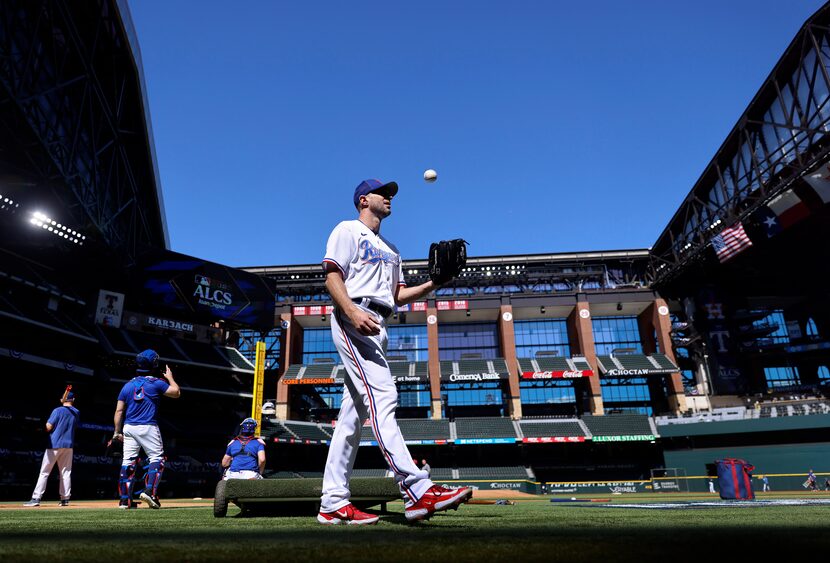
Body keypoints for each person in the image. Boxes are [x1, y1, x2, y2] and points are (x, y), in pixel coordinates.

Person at [317, 178, 472, 525]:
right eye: (382, 193)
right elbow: (331, 275)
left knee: (352, 418)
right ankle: (416, 489)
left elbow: (398, 296)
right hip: (354, 314)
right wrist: (352, 313)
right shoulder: (347, 230)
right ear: (362, 199)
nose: (389, 197)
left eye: (391, 194)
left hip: (380, 322)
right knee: (383, 396)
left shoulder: (392, 249)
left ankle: (332, 503)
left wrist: (436, 283)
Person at [112, 349, 180, 509]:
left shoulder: (127, 385)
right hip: (148, 426)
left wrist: (116, 432)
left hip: (129, 427)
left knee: (128, 461)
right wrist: (170, 377)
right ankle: (150, 492)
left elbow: (119, 411)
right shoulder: (157, 383)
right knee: (158, 458)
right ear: (154, 364)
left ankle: (124, 500)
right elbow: (176, 392)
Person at [23, 391, 80, 507]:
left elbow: (48, 427)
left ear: (63, 399)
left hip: (54, 444)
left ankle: (36, 498)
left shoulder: (57, 410)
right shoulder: (77, 412)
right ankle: (65, 499)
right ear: (73, 399)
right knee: (66, 473)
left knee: (44, 472)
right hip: (69, 445)